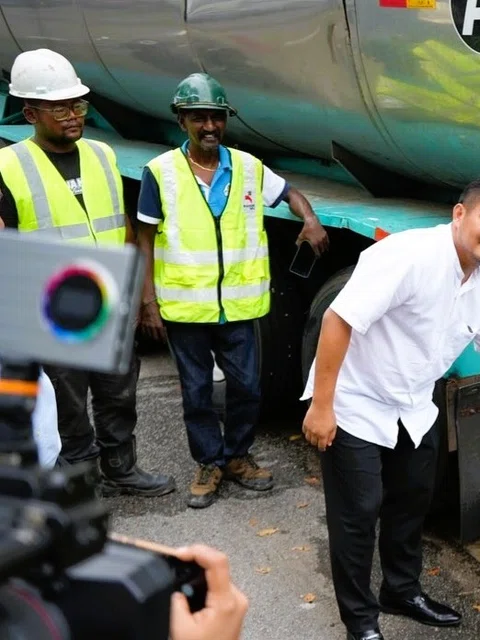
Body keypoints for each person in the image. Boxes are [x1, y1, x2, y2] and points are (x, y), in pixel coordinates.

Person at [300, 177, 480, 640]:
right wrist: (322, 406)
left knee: (411, 500)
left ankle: (401, 591)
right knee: (359, 514)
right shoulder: (409, 257)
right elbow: (337, 318)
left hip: (413, 405)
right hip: (355, 401)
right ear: (460, 214)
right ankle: (361, 623)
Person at [137, 72, 330, 509]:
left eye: (217, 117)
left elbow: (290, 193)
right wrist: (147, 301)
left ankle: (238, 456)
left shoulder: (245, 166)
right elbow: (144, 240)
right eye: (199, 117)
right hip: (186, 310)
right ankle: (209, 462)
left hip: (239, 308)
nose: (209, 126)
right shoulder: (160, 173)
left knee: (246, 388)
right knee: (198, 391)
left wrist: (310, 218)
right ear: (181, 119)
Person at [0, 48, 174, 496]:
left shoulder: (102, 154)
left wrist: (140, 296)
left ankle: (122, 468)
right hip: (51, 310)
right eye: (60, 109)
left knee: (119, 393)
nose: (73, 116)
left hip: (109, 300)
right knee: (68, 402)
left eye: (77, 105)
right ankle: (81, 479)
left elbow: (126, 226)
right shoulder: (7, 165)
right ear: (30, 112)